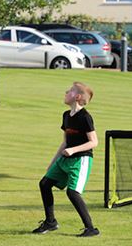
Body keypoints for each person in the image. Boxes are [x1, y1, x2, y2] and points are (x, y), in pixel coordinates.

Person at [33, 82, 100, 237]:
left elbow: (94, 142)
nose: (66, 92)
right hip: (64, 159)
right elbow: (65, 142)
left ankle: (91, 228)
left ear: (77, 97)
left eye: (69, 91)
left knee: (72, 192)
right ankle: (50, 222)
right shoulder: (66, 115)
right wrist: (53, 162)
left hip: (81, 160)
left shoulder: (85, 117)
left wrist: (73, 150)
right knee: (45, 183)